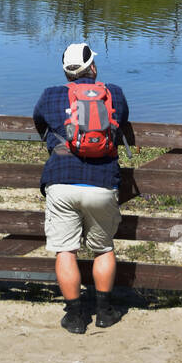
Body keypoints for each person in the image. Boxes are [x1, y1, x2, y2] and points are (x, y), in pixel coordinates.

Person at [32, 43, 130, 333]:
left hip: (62, 182)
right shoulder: (114, 93)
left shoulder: (50, 96)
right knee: (103, 249)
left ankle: (75, 317)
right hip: (102, 183)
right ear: (93, 68)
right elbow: (121, 120)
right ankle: (104, 312)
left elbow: (39, 124)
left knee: (66, 250)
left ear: (66, 71)